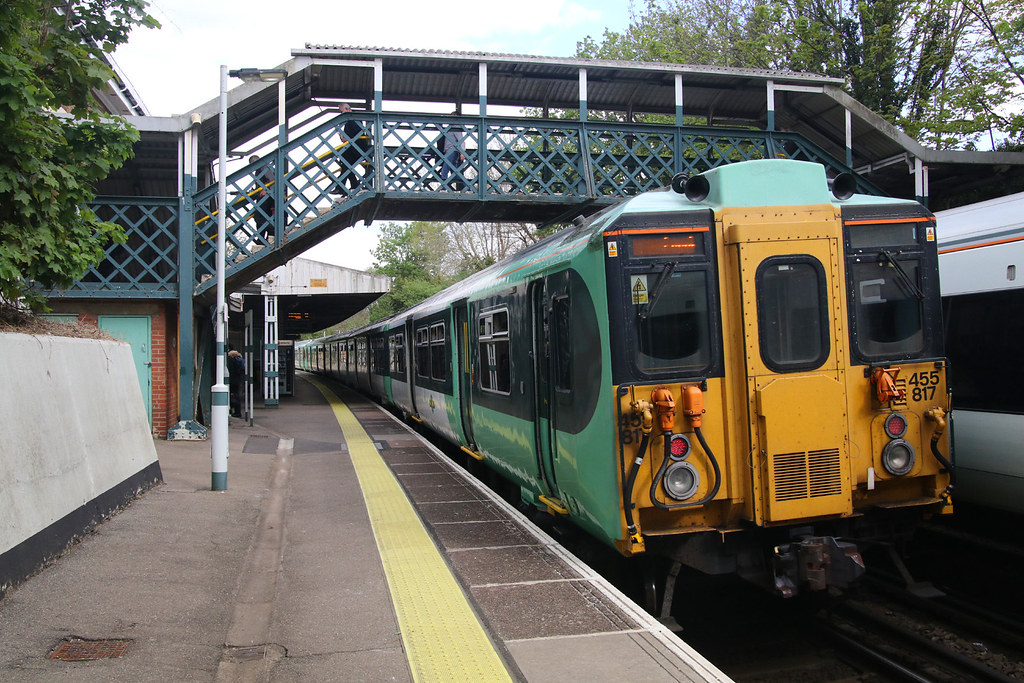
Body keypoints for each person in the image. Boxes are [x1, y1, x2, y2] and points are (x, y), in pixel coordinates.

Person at [334, 103, 371, 193]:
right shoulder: (353, 119)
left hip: (357, 149)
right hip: (354, 148)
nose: (342, 114)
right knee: (346, 165)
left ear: (347, 109)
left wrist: (346, 138)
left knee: (346, 164)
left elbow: (355, 133)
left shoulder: (353, 119)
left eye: (342, 112)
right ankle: (353, 186)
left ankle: (342, 187)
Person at [248, 155, 275, 244]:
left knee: (258, 217)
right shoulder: (261, 168)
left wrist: (265, 189)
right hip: (265, 197)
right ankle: (262, 240)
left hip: (267, 197)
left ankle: (271, 231)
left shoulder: (263, 167)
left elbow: (271, 179)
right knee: (262, 218)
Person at [437, 115, 465, 190]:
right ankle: (467, 187)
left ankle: (443, 188)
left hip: (452, 151)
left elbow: (461, 140)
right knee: (454, 171)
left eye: (452, 116)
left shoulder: (456, 127)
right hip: (449, 151)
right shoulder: (450, 128)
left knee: (445, 169)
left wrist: (463, 152)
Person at [227, 344, 245, 418]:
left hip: (232, 380)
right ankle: (237, 412)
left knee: (232, 396)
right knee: (236, 395)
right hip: (238, 380)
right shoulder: (239, 358)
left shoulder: (230, 359)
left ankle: (233, 411)